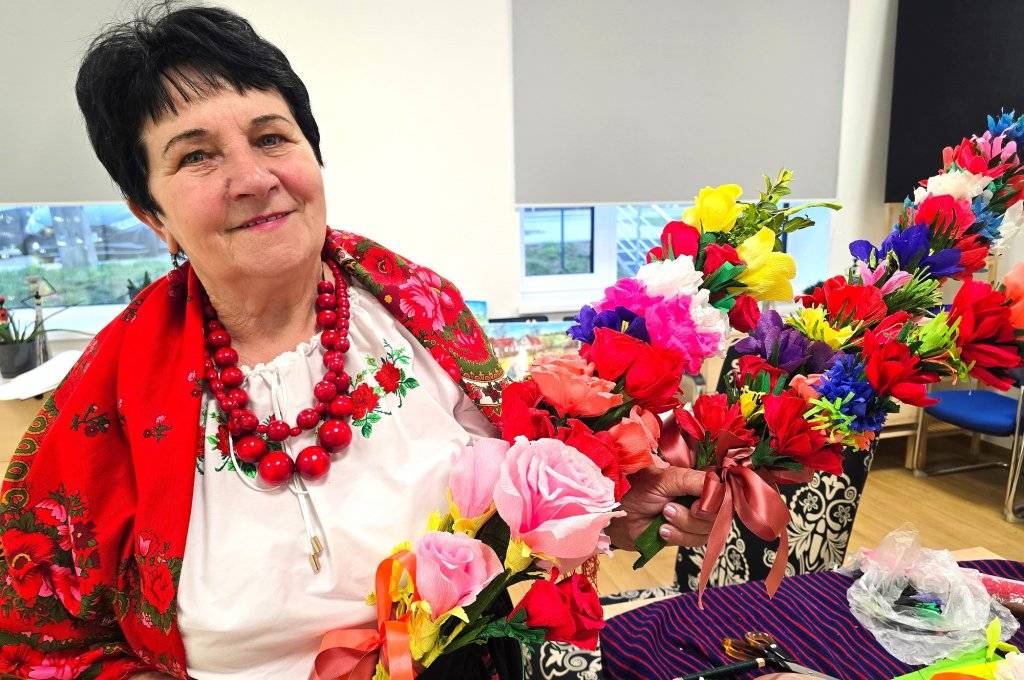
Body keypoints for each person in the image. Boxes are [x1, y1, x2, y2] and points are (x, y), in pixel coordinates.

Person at [0, 5, 713, 678]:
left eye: (272, 138)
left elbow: (516, 511)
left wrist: (614, 509)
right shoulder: (108, 400)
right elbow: (35, 643)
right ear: (151, 214)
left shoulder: (419, 311)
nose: (254, 178)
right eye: (196, 157)